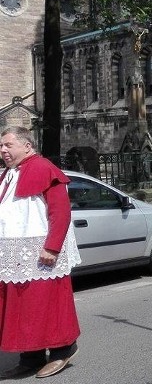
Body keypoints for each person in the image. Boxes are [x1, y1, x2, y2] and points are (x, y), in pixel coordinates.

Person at [0, 126, 81, 379]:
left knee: (47, 304)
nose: (3, 150)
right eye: (1, 146)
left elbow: (61, 211)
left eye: (8, 145)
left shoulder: (44, 168)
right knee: (22, 307)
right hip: (16, 253)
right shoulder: (9, 173)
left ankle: (62, 350)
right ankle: (31, 356)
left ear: (27, 146)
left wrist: (52, 246)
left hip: (41, 253)